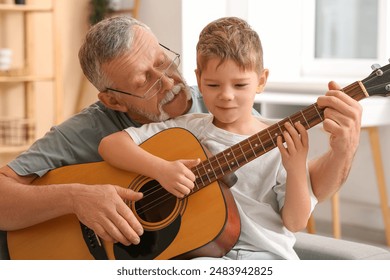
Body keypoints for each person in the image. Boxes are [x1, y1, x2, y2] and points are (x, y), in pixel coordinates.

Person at [0, 15, 362, 251]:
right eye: (144, 80)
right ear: (113, 101)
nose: (170, 81)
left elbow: (288, 185)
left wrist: (341, 151)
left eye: (163, 60)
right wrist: (76, 197)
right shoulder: (86, 130)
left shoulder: (220, 93)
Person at [99, 16, 315, 260]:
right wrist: (161, 170)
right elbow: (111, 145)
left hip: (267, 256)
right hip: (206, 255)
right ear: (199, 81)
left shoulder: (283, 141)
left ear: (261, 81)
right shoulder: (185, 130)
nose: (226, 96)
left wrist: (296, 168)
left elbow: (295, 223)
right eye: (213, 85)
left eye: (240, 85)